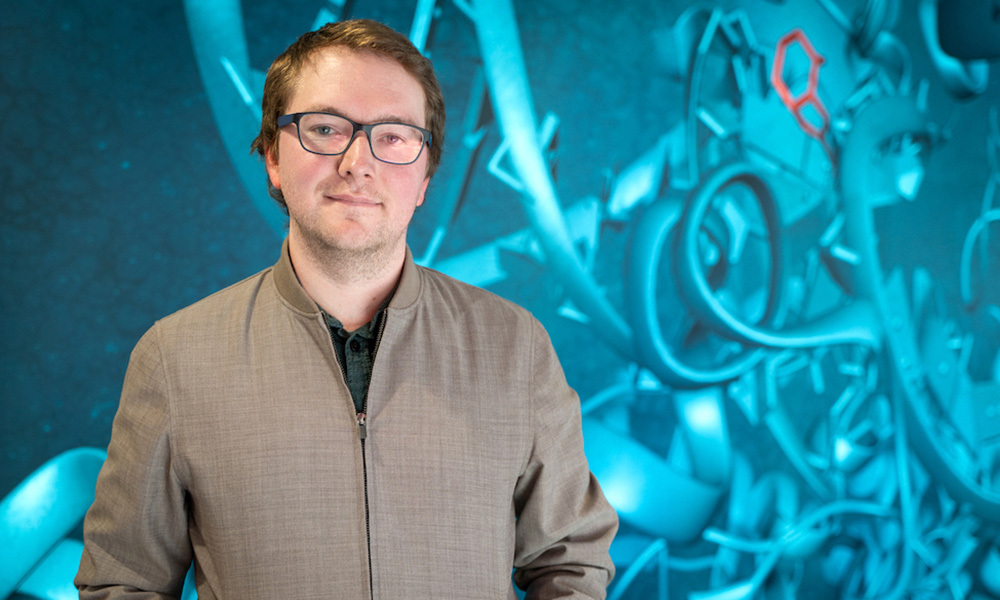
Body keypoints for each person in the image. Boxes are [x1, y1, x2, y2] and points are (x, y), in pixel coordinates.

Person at [75, 18, 618, 599]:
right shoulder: (175, 358)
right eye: (326, 128)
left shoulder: (514, 347)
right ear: (273, 160)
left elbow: (572, 564)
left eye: (394, 136)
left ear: (425, 176)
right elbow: (122, 583)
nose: (358, 161)